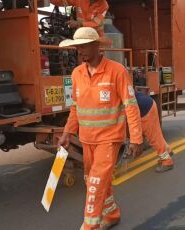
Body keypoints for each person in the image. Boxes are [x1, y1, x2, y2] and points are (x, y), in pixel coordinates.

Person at [57, 27, 143, 230]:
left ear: (97, 46)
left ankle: (90, 225)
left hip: (109, 139)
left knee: (95, 183)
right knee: (91, 180)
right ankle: (111, 213)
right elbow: (75, 108)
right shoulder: (77, 73)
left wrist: (137, 139)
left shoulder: (117, 71)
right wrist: (67, 133)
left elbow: (131, 106)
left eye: (84, 46)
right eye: (78, 47)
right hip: (87, 140)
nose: (80, 51)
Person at [134, 91, 175, 173]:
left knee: (154, 139)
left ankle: (167, 161)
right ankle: (167, 150)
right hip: (148, 104)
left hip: (145, 110)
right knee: (157, 135)